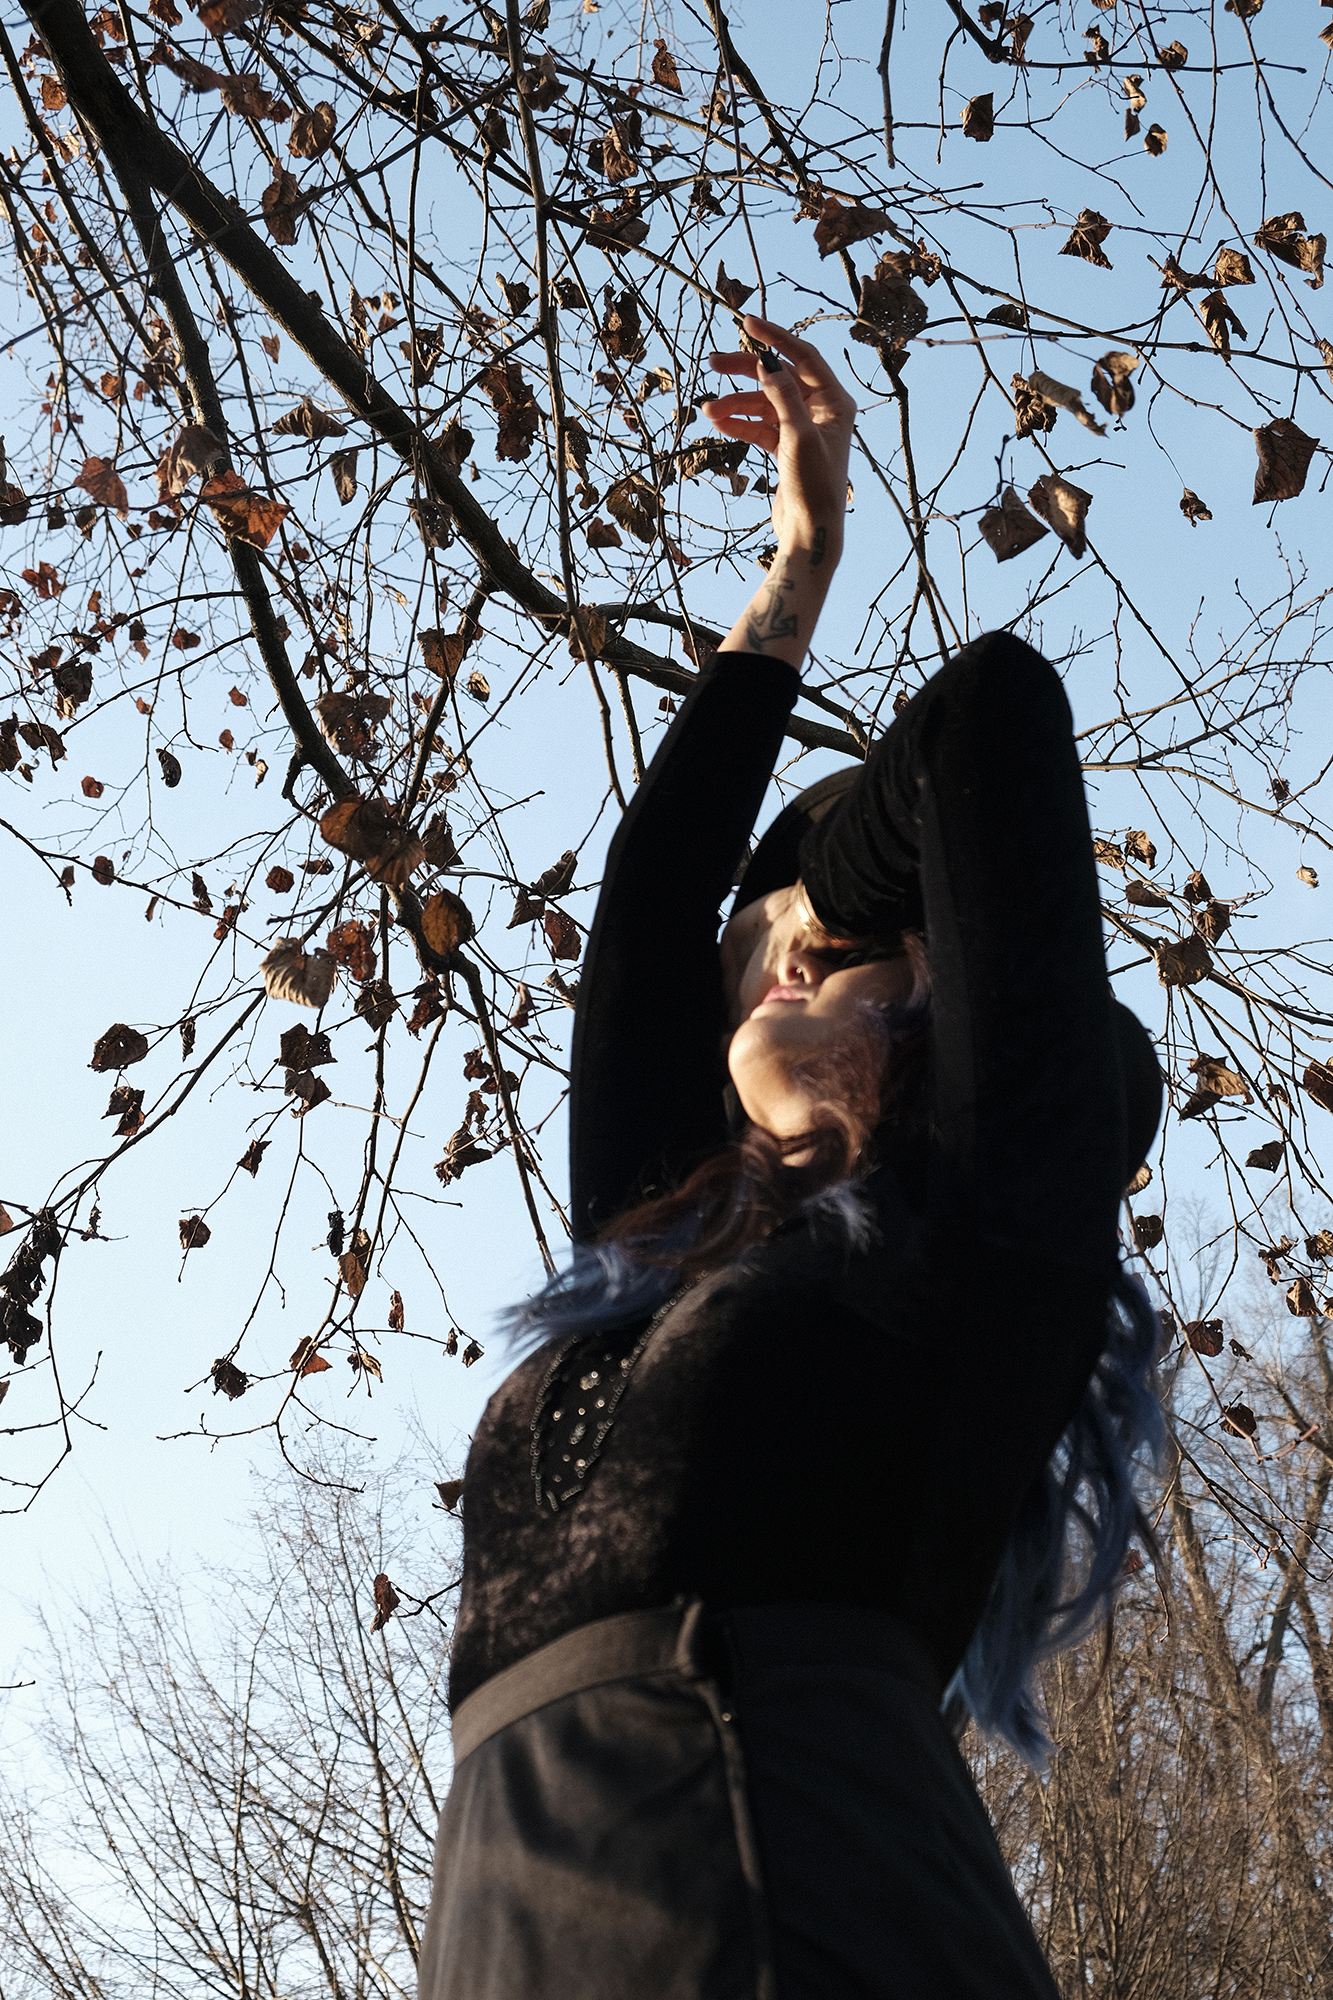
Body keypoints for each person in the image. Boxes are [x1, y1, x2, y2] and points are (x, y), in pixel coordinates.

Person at [416, 317, 1164, 2000]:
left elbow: (985, 715)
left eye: (841, 941)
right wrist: (796, 570)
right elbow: (644, 911)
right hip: (511, 1925)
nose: (782, 952)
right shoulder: (664, 1257)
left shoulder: (978, 1231)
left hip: (793, 1891)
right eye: (762, 937)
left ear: (949, 1007)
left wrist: (825, 887)